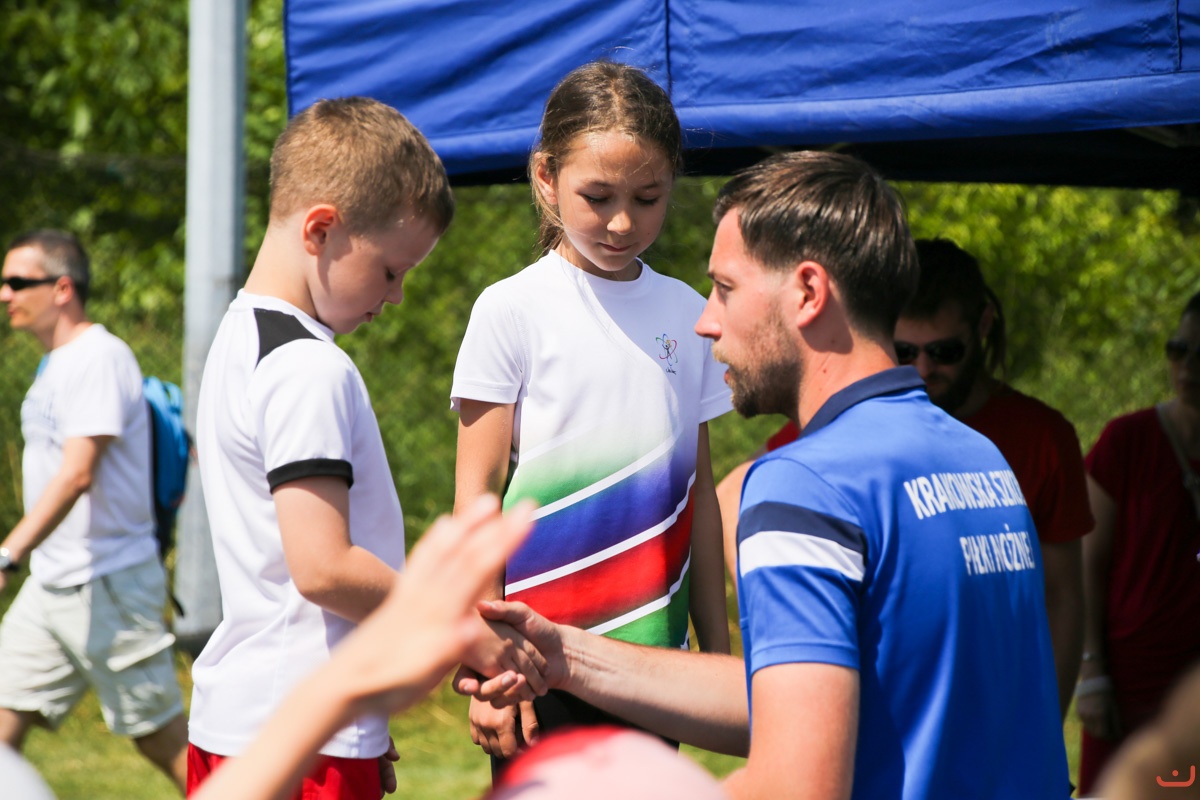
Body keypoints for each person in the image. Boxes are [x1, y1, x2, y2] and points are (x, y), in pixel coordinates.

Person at [464, 150, 1071, 799]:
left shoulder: (804, 488)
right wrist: (568, 656)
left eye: (725, 289)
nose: (706, 322)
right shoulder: (983, 461)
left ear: (808, 292)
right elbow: (798, 693)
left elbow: (797, 781)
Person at [186, 97, 548, 799]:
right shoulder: (306, 367)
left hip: (254, 726)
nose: (399, 295)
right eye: (390, 271)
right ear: (321, 229)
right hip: (300, 734)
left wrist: (363, 726)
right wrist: (459, 628)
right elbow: (324, 568)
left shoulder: (239, 337)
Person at [450, 60, 731, 762]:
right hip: (536, 665)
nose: (622, 221)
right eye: (597, 196)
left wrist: (719, 659)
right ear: (546, 176)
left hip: (659, 672)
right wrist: (489, 664)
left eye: (648, 196)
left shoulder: (691, 314)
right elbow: (476, 501)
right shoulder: (510, 309)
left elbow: (699, 498)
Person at [719, 238, 1093, 721]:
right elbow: (734, 491)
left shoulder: (1042, 437)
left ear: (983, 326)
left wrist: (1047, 717)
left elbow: (1063, 597)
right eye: (904, 351)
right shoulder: (854, 423)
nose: (923, 369)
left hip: (999, 704)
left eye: (945, 351)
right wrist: (785, 608)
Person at [0, 230, 189, 792]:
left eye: (17, 282)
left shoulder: (100, 357)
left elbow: (78, 472)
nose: (6, 294)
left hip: (108, 582)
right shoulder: (55, 365)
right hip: (53, 584)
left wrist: (9, 553)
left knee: (165, 742)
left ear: (62, 288)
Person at [1076, 291, 1200, 796]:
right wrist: (1091, 673)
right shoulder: (1127, 441)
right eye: (1178, 349)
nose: (1188, 366)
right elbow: (1086, 563)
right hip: (1128, 687)